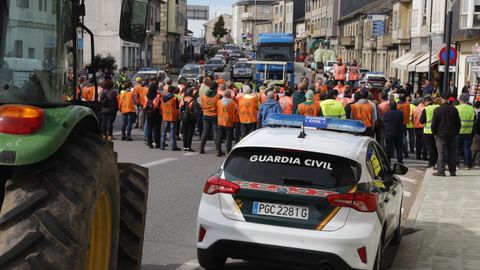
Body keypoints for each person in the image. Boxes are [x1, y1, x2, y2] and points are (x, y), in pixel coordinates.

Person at [431, 96, 462, 176]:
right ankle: (452, 171)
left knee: (441, 153)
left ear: (442, 100)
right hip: (452, 134)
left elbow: (434, 124)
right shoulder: (454, 109)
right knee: (452, 153)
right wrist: (456, 132)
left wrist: (434, 133)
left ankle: (441, 171)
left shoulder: (437, 110)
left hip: (440, 134)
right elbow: (458, 123)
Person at [456, 94, 475, 169]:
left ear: (460, 100)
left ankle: (456, 164)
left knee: (457, 148)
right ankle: (467, 164)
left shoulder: (457, 108)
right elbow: (474, 119)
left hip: (458, 131)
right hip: (468, 131)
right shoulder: (471, 108)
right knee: (467, 148)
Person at [200, 84, 221, 154]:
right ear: (215, 89)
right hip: (214, 115)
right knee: (216, 133)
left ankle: (201, 148)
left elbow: (202, 105)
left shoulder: (203, 96)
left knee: (205, 132)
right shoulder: (217, 97)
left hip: (206, 114)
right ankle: (218, 150)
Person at [420, 97, 440, 167]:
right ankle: (438, 162)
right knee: (437, 148)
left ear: (426, 102)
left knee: (431, 149)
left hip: (428, 132)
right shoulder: (438, 107)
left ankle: (431, 163)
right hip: (438, 132)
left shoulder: (426, 109)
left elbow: (422, 121)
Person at [217, 91, 238, 156]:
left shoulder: (219, 102)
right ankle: (228, 151)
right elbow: (236, 111)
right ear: (229, 95)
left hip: (220, 121)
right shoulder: (233, 102)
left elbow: (217, 109)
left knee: (220, 137)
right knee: (229, 137)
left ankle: (219, 151)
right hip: (229, 121)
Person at [161, 86, 181, 151]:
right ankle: (173, 146)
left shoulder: (163, 97)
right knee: (172, 132)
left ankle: (162, 144)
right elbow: (178, 107)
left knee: (164, 131)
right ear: (173, 91)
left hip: (165, 115)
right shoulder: (175, 98)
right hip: (172, 116)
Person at [180, 88, 200, 152]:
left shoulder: (183, 99)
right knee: (190, 133)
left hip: (184, 118)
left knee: (185, 133)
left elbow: (180, 108)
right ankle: (189, 147)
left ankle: (185, 146)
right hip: (191, 119)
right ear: (192, 93)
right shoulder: (193, 101)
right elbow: (196, 112)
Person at [145, 83, 161, 148]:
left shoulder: (146, 95)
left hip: (148, 112)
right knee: (156, 129)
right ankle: (157, 143)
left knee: (149, 128)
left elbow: (144, 104)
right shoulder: (158, 96)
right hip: (156, 113)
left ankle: (149, 143)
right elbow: (160, 104)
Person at [472, 101, 480, 167]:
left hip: (476, 132)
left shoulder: (473, 111)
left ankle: (472, 162)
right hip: (477, 132)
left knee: (474, 148)